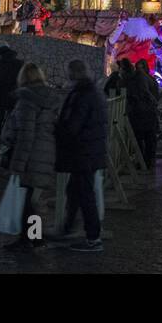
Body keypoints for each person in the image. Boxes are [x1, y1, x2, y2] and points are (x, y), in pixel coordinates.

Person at [0, 62, 61, 251]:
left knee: (29, 200)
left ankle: (32, 239)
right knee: (34, 199)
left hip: (31, 154)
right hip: (45, 151)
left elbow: (26, 134)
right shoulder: (51, 99)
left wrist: (18, 164)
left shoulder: (27, 101)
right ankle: (33, 237)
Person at [54, 59, 108, 252]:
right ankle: (68, 227)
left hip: (83, 151)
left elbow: (73, 124)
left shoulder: (82, 95)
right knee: (75, 190)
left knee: (84, 193)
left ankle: (93, 238)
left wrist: (58, 129)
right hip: (89, 150)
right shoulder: (93, 92)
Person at [127, 59, 159, 167]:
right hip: (149, 113)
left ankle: (142, 161)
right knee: (149, 138)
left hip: (141, 113)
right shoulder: (152, 80)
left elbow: (141, 93)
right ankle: (148, 160)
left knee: (141, 138)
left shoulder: (138, 79)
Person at [0, 44, 23, 134]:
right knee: (14, 118)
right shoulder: (20, 63)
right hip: (15, 94)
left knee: (0, 118)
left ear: (0, 54)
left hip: (1, 94)